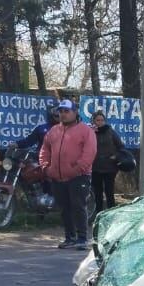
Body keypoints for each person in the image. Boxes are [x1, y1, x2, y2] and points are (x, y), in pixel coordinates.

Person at [39, 99, 96, 250]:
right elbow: (45, 149)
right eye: (61, 111)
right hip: (58, 176)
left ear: (75, 112)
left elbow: (89, 153)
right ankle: (69, 237)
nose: (63, 114)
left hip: (79, 176)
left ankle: (82, 238)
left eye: (66, 111)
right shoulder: (54, 131)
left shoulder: (86, 131)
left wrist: (77, 168)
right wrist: (46, 167)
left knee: (78, 205)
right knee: (64, 208)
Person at [90, 111, 125, 213]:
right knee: (98, 193)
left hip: (110, 168)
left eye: (102, 120)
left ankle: (110, 213)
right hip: (95, 168)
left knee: (109, 192)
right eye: (97, 120)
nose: (100, 122)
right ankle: (98, 214)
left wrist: (116, 156)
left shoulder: (110, 132)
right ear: (93, 121)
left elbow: (121, 147)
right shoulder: (90, 132)